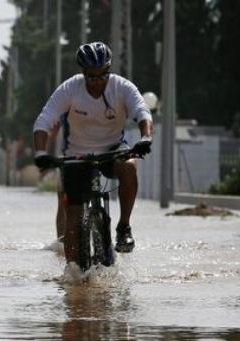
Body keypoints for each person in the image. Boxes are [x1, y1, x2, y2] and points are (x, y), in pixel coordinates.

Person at [32, 41, 153, 262]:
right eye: (91, 77)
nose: (97, 82)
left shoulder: (123, 87)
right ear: (83, 73)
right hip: (76, 155)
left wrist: (145, 137)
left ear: (109, 71)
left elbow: (143, 113)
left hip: (112, 150)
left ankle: (124, 226)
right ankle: (74, 273)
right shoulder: (70, 88)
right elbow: (44, 121)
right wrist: (40, 152)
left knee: (129, 166)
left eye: (102, 76)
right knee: (74, 218)